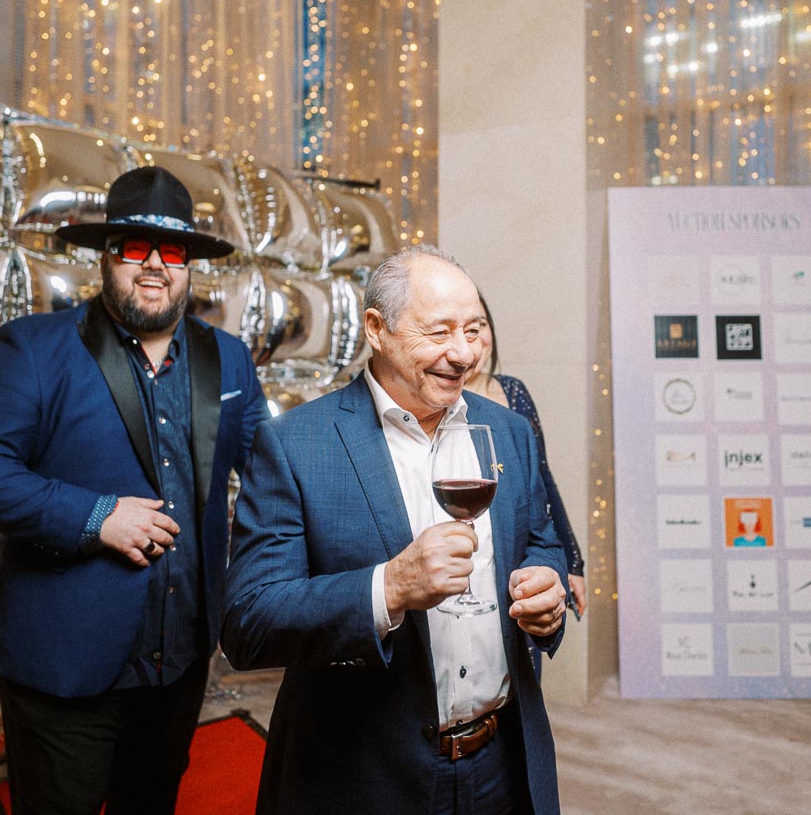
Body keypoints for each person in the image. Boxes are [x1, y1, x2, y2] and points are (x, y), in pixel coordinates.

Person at [0, 165, 267, 814]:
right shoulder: (36, 348)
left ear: (188, 266)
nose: (154, 265)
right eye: (135, 247)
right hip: (61, 664)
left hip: (179, 662)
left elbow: (274, 467)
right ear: (106, 256)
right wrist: (95, 517)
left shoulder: (229, 356)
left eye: (172, 251)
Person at [222, 245, 569, 813]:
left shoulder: (509, 432)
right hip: (364, 775)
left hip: (502, 767)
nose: (464, 353)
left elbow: (540, 542)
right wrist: (389, 587)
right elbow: (248, 623)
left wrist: (547, 587)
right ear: (377, 330)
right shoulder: (295, 444)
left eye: (474, 330)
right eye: (439, 332)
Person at [464, 293, 587, 618]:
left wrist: (572, 562)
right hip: (470, 554)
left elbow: (543, 479)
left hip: (523, 553)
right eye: (463, 330)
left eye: (480, 326)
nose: (475, 339)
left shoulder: (512, 391)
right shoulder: (437, 401)